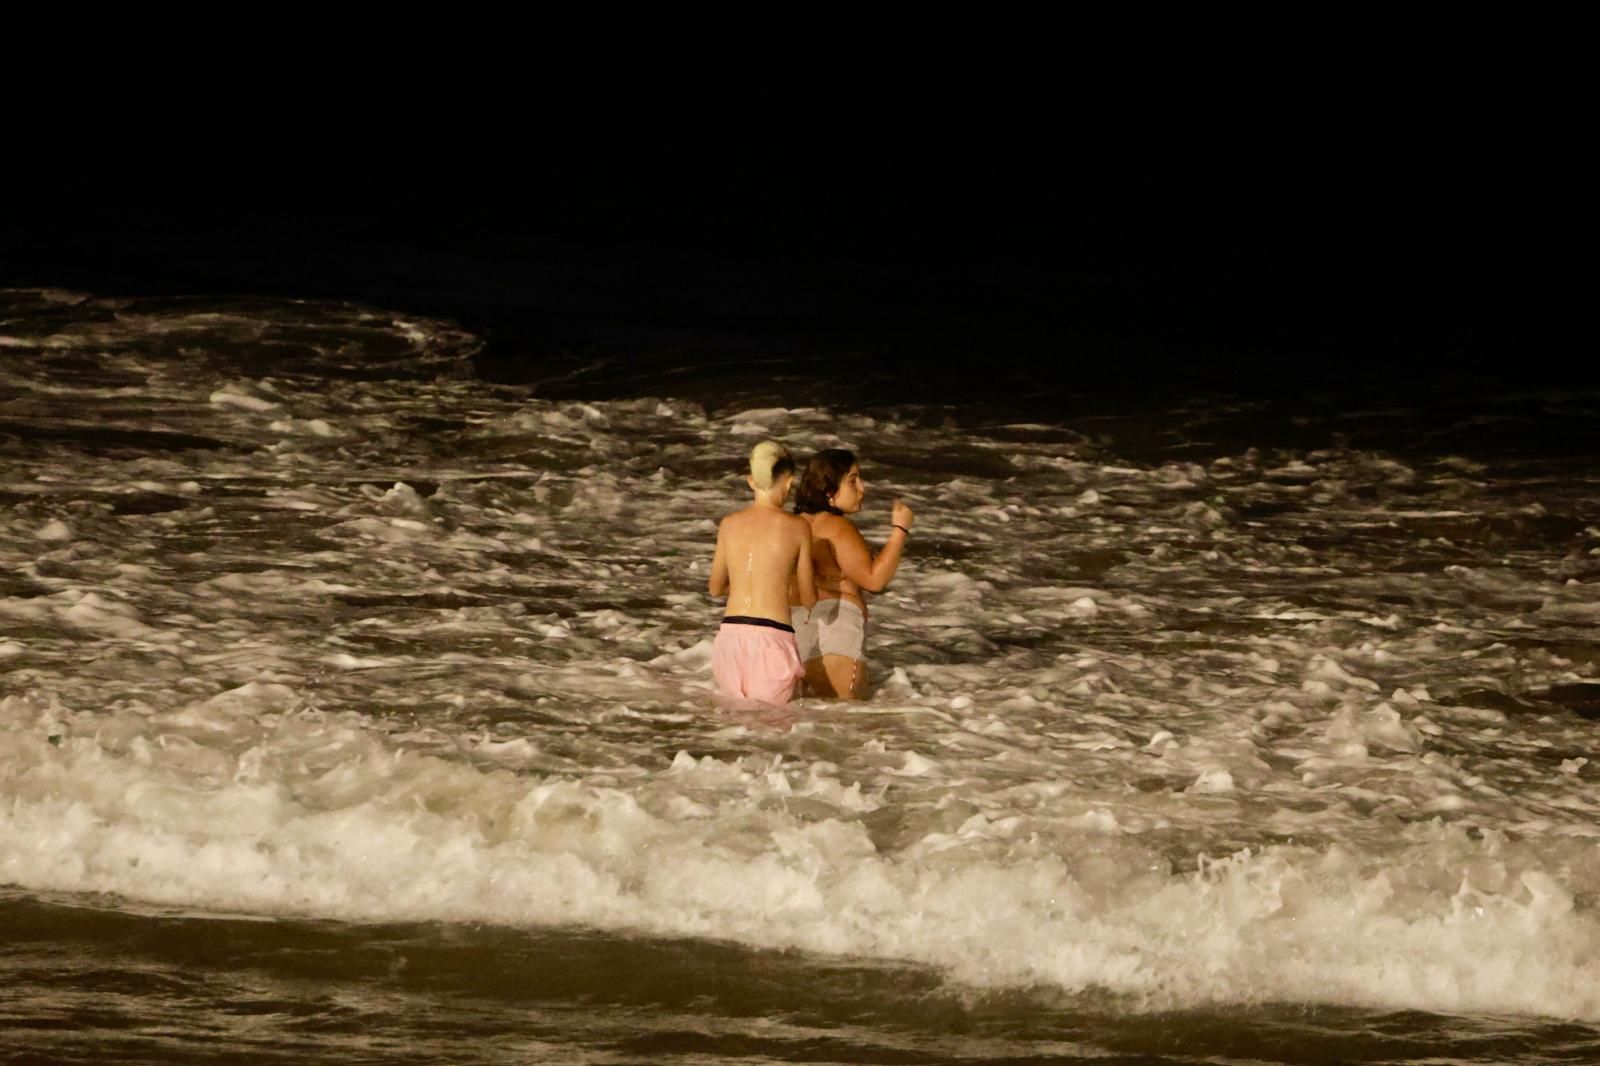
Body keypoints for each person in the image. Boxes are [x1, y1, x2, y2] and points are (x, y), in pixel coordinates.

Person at [790, 449, 914, 699]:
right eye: (852, 480)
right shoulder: (838, 527)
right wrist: (900, 529)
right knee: (844, 723)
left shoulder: (790, 524)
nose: (862, 488)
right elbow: (874, 580)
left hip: (793, 633)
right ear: (829, 491)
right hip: (837, 633)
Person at [708, 441, 817, 706]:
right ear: (789, 482)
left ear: (750, 481)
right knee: (771, 732)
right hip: (772, 639)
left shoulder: (729, 524)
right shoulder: (797, 527)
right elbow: (808, 597)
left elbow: (715, 588)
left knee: (736, 724)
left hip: (730, 638)